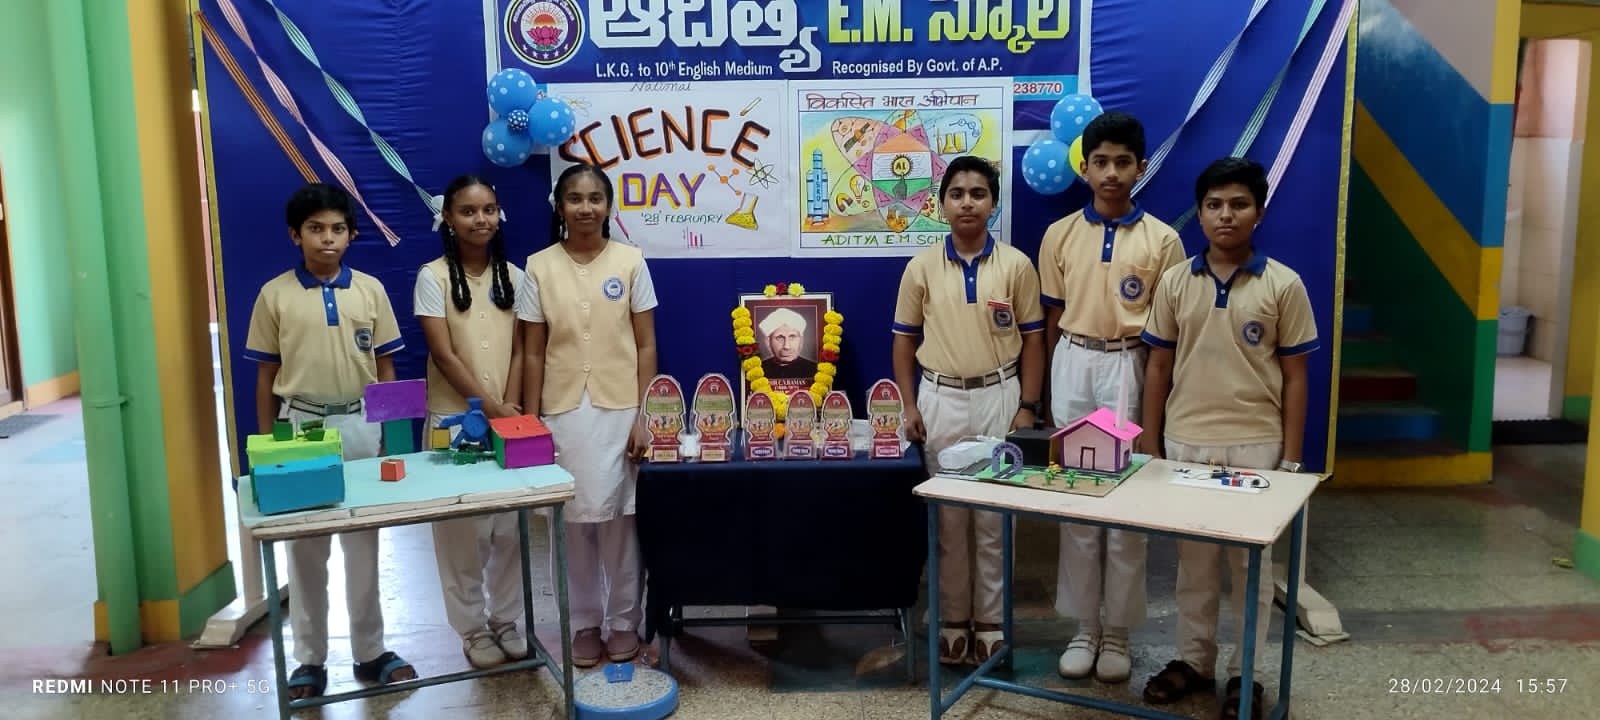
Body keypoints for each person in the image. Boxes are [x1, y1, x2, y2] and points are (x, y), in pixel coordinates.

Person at [1138, 157, 1318, 720]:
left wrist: (1291, 460)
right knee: (1193, 565)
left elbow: (1295, 376)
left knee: (1250, 571)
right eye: (1214, 204)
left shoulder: (1283, 284)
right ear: (1200, 213)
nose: (1225, 215)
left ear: (1258, 212)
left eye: (1239, 204)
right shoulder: (1175, 281)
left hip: (1256, 447)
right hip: (1186, 442)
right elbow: (1158, 366)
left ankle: (1246, 674)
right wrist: (1150, 444)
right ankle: (1193, 661)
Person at [243, 183, 416, 698]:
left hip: (361, 424)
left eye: (338, 229)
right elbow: (265, 376)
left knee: (364, 541)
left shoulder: (370, 291)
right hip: (300, 428)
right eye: (315, 229)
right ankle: (309, 660)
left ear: (352, 235)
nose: (327, 238)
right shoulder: (274, 295)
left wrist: (389, 437)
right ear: (295, 235)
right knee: (305, 548)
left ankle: (371, 651)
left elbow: (386, 366)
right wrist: (266, 448)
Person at [1037, 110, 1185, 683]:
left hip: (1129, 363)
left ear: (1140, 167)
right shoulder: (1059, 235)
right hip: (1073, 361)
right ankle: (1083, 627)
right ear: (1085, 168)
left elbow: (1168, 334)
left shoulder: (1163, 240)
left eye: (1123, 162)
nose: (1111, 173)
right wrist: (1046, 392)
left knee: (1124, 503)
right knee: (1076, 498)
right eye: (1100, 162)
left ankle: (1118, 631)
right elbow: (1052, 319)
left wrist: (1154, 413)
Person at [893, 155, 1045, 666]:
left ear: (993, 203)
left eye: (978, 193)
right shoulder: (921, 268)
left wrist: (1027, 407)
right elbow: (903, 339)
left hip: (1000, 397)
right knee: (950, 521)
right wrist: (909, 404)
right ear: (942, 205)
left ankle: (993, 623)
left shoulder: (1016, 265)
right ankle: (953, 619)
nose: (967, 203)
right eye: (956, 193)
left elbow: (1034, 339)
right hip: (940, 398)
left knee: (996, 521)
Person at [518, 163, 658, 668]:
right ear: (559, 207)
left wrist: (644, 416)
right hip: (560, 411)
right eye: (574, 199)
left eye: (595, 198)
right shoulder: (539, 266)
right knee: (572, 523)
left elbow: (646, 345)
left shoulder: (631, 261)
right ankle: (582, 623)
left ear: (608, 206)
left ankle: (623, 622)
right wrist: (529, 422)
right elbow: (533, 351)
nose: (585, 208)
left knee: (622, 521)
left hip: (620, 409)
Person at [414, 175, 530, 669]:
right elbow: (443, 355)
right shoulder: (433, 277)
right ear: (448, 217)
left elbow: (523, 349)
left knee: (509, 529)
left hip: (509, 418)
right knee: (461, 531)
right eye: (467, 211)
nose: (480, 219)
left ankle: (506, 620)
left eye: (488, 210)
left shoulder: (517, 277)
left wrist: (512, 408)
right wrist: (492, 409)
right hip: (454, 421)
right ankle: (472, 629)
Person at [758, 307, 820, 382]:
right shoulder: (758, 371)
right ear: (768, 342)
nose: (786, 346)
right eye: (780, 337)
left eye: (792, 337)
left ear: (801, 340)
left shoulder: (816, 370)